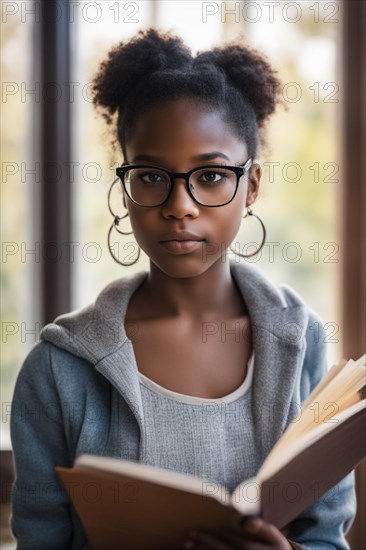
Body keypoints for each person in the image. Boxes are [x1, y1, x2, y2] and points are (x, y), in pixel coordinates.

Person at [10, 28, 356, 550]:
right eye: (151, 176)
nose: (181, 205)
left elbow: (326, 538)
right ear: (124, 185)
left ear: (252, 185)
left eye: (211, 175)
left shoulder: (300, 344)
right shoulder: (58, 371)